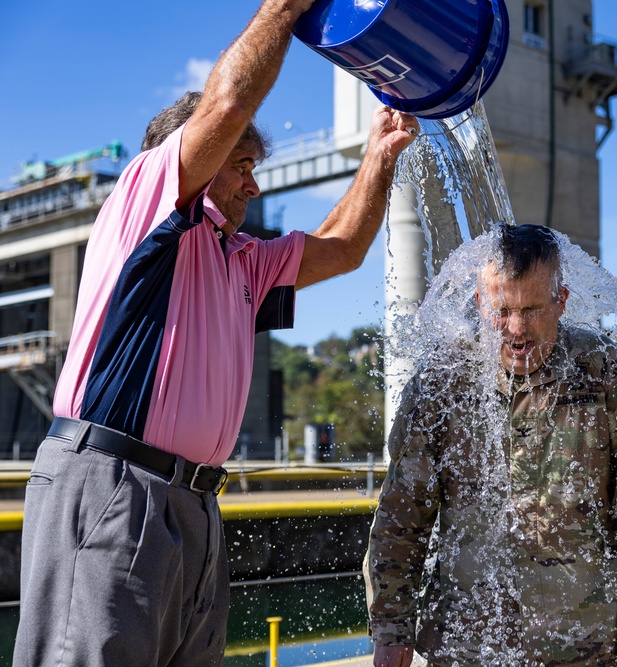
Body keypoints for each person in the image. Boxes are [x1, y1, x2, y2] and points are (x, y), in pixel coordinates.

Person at [13, 1, 419, 664]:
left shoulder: (241, 261)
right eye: (241, 164)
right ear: (196, 156)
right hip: (112, 479)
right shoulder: (143, 202)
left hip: (195, 500)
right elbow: (226, 104)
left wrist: (380, 154)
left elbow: (342, 247)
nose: (253, 185)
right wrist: (286, 9)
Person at [367, 224, 617, 667]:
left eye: (532, 309)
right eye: (502, 310)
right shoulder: (444, 382)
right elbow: (402, 514)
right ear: (478, 302)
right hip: (469, 646)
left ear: (561, 302)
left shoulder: (602, 376)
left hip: (589, 647)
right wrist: (392, 629)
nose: (517, 329)